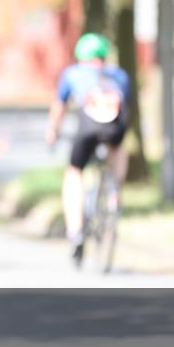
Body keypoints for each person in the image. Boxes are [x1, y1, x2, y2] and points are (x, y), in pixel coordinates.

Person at [45, 33, 131, 266]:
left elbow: (59, 106)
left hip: (87, 129)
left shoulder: (73, 73)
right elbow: (127, 106)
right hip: (114, 129)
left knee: (74, 173)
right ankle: (114, 193)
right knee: (118, 150)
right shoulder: (120, 75)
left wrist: (53, 132)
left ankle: (75, 230)